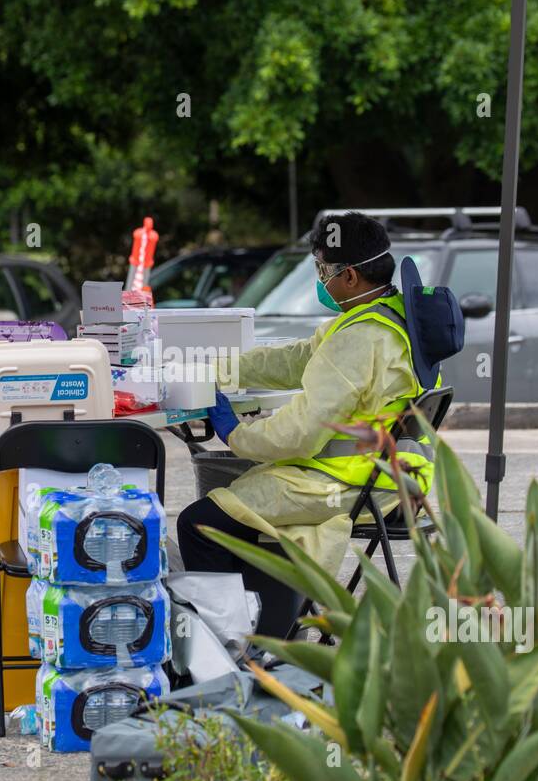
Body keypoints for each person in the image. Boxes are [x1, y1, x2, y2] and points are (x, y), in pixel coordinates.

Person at [176, 212, 435, 638]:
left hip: (348, 484)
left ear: (349, 276)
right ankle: (273, 626)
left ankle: (232, 642)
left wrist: (235, 432)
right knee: (243, 500)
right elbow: (297, 359)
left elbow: (298, 434)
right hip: (397, 475)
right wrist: (217, 369)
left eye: (322, 270)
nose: (319, 281)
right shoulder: (390, 316)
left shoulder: (357, 340)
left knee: (200, 522)